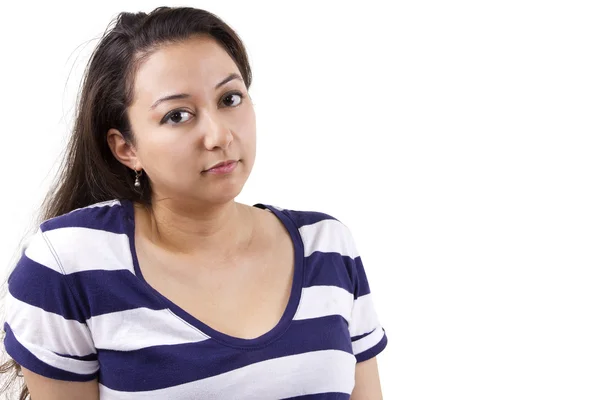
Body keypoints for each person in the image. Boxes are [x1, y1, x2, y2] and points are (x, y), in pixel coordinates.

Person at [0, 6, 387, 399]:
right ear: (126, 148)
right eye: (177, 115)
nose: (219, 135)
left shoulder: (327, 247)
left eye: (230, 98)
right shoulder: (69, 265)